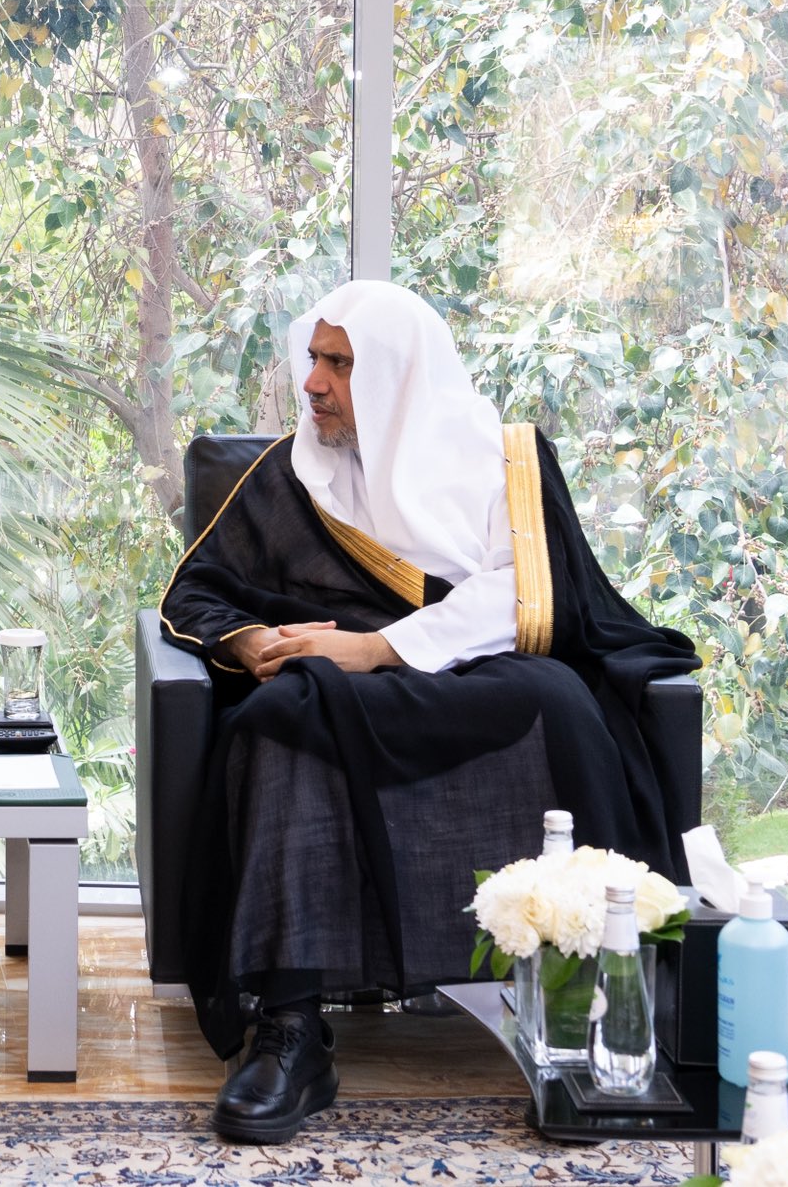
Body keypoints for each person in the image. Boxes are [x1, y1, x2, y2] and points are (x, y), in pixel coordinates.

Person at [158, 281, 698, 1144]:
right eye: (315, 359)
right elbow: (200, 592)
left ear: (400, 378)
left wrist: (380, 649)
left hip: (475, 675)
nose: (315, 383)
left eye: (340, 364)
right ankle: (293, 1028)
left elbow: (527, 592)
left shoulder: (506, 459)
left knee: (557, 701)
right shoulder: (289, 476)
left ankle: (588, 1023)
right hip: (337, 689)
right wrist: (252, 642)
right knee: (276, 719)